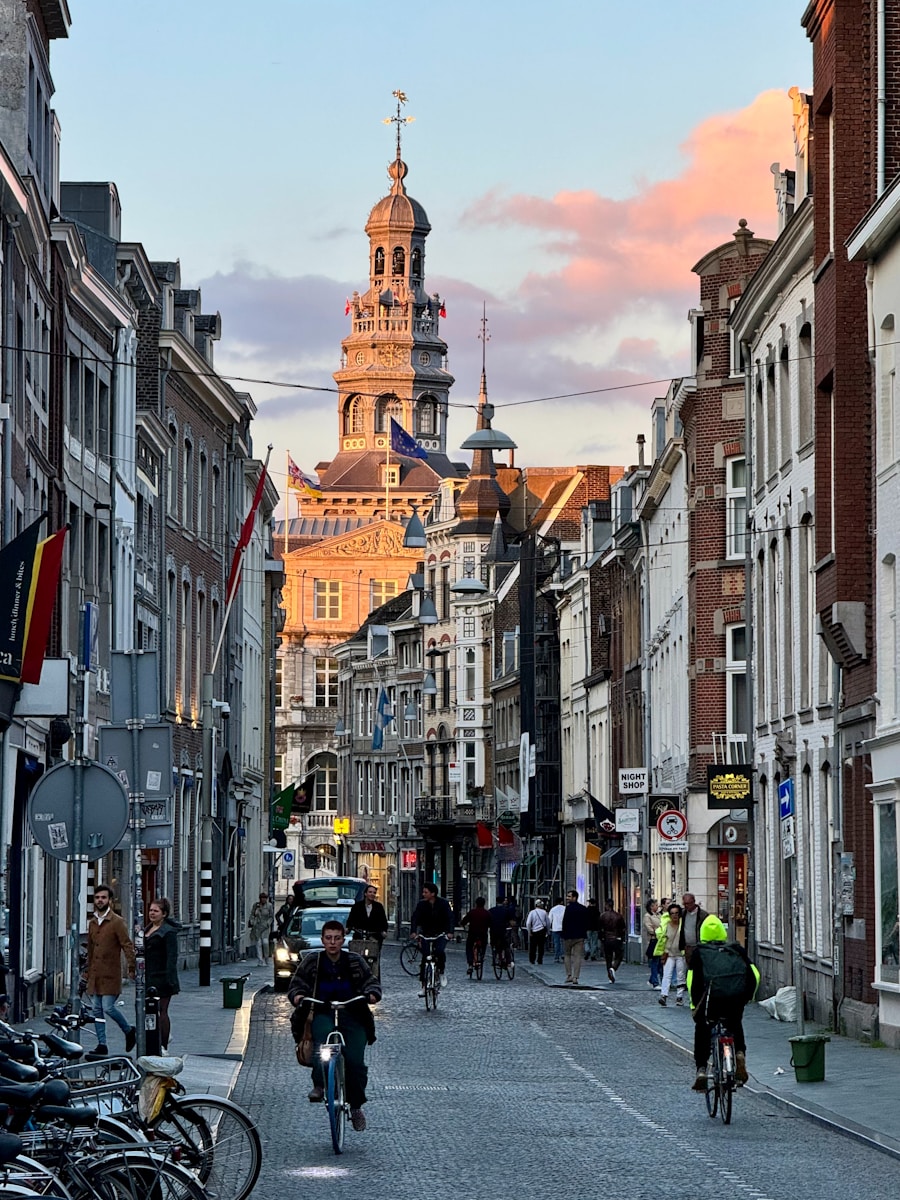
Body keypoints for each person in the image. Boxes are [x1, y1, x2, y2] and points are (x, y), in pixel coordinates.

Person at [287, 919, 381, 1132]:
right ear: (322, 940)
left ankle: (356, 1107)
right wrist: (298, 996)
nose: (332, 943)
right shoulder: (313, 961)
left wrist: (372, 994)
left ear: (343, 940)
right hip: (322, 1011)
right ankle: (319, 1084)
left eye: (337, 938)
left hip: (352, 1012)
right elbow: (297, 982)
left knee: (356, 1061)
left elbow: (370, 980)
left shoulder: (355, 961)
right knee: (323, 1044)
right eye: (328, 938)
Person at [687, 914, 759, 1090]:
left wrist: (694, 1005)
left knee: (702, 1028)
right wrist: (747, 997)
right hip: (735, 999)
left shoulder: (699, 953)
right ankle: (740, 1054)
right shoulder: (736, 949)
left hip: (711, 1001)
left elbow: (692, 982)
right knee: (735, 1023)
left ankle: (702, 1069)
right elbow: (754, 975)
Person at [85, 885, 136, 1059]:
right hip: (95, 974)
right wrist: (87, 971)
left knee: (108, 1007)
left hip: (110, 974)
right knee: (96, 1009)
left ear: (110, 901)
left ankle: (129, 1031)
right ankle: (102, 1044)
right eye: (97, 897)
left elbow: (127, 944)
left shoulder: (117, 922)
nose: (100, 900)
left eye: (103, 898)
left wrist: (131, 966)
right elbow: (91, 949)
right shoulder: (92, 923)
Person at [144, 898, 180, 1053]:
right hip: (148, 976)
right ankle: (152, 1041)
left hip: (163, 976)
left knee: (162, 1011)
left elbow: (172, 957)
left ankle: (163, 1045)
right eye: (151, 910)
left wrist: (169, 979)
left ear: (164, 914)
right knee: (149, 1011)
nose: (152, 913)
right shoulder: (146, 929)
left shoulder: (168, 932)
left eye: (155, 911)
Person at [409, 883, 455, 993]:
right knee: (425, 956)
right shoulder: (421, 905)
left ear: (433, 893)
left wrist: (450, 932)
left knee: (439, 951)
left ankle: (441, 971)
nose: (423, 894)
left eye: (426, 892)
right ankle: (424, 986)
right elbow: (415, 918)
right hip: (426, 933)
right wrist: (414, 931)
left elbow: (450, 918)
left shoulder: (443, 903)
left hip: (440, 933)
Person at [656, 902, 687, 1007]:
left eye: (676, 913)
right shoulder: (666, 925)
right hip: (669, 954)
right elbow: (662, 940)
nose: (674, 915)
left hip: (681, 954)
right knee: (667, 975)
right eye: (672, 913)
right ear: (669, 914)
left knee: (681, 976)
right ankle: (664, 995)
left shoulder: (683, 925)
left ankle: (679, 997)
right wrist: (662, 952)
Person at [562, 890, 588, 985]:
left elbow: (565, 922)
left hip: (568, 936)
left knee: (567, 955)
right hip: (580, 936)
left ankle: (569, 975)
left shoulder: (568, 909)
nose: (567, 898)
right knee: (577, 956)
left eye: (569, 896)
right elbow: (586, 922)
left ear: (574, 897)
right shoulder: (583, 908)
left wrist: (563, 934)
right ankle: (576, 977)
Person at [597, 899, 626, 983]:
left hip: (606, 939)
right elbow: (623, 928)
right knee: (619, 956)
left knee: (608, 958)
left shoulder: (603, 916)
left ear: (606, 905)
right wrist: (621, 938)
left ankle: (610, 975)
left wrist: (601, 938)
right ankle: (613, 968)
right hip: (616, 938)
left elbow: (599, 928)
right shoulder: (618, 916)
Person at [461, 897, 491, 976]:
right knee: (483, 945)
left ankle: (470, 964)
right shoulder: (487, 913)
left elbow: (464, 921)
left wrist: (463, 925)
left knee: (469, 947)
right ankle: (481, 957)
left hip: (473, 933)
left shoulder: (472, 912)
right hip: (483, 934)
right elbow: (491, 923)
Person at [680, 892, 710, 966]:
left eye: (688, 903)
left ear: (693, 902)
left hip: (699, 946)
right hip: (687, 947)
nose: (686, 906)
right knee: (689, 968)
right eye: (685, 904)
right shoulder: (683, 913)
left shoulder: (703, 915)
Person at [248, 892, 274, 964]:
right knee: (258, 943)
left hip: (265, 926)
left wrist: (268, 923)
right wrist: (252, 922)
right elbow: (252, 914)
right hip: (257, 926)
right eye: (262, 898)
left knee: (265, 942)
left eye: (265, 898)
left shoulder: (269, 906)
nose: (263, 900)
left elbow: (271, 916)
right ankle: (260, 959)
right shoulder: (256, 905)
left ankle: (266, 958)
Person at [488, 895, 517, 959]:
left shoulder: (491, 910)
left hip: (493, 931)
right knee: (506, 945)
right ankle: (508, 961)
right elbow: (511, 921)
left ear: (496, 902)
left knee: (493, 943)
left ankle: (494, 955)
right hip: (503, 931)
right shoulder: (506, 910)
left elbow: (488, 921)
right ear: (503, 901)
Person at [524, 899, 551, 965]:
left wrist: (529, 931)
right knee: (541, 946)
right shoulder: (544, 912)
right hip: (542, 931)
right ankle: (540, 960)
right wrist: (548, 931)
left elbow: (528, 923)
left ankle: (532, 960)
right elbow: (548, 923)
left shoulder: (532, 912)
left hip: (534, 931)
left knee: (533, 947)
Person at [643, 899, 662, 988]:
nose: (657, 906)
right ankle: (655, 982)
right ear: (651, 907)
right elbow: (650, 928)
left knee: (659, 962)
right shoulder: (647, 916)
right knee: (655, 961)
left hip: (661, 940)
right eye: (655, 905)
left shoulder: (659, 915)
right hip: (654, 940)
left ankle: (652, 979)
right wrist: (657, 931)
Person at [548, 896, 566, 963]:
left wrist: (548, 928)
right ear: (562, 902)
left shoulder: (553, 909)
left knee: (556, 943)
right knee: (563, 943)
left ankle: (556, 957)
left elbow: (549, 920)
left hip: (555, 928)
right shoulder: (565, 908)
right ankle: (563, 955)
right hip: (564, 928)